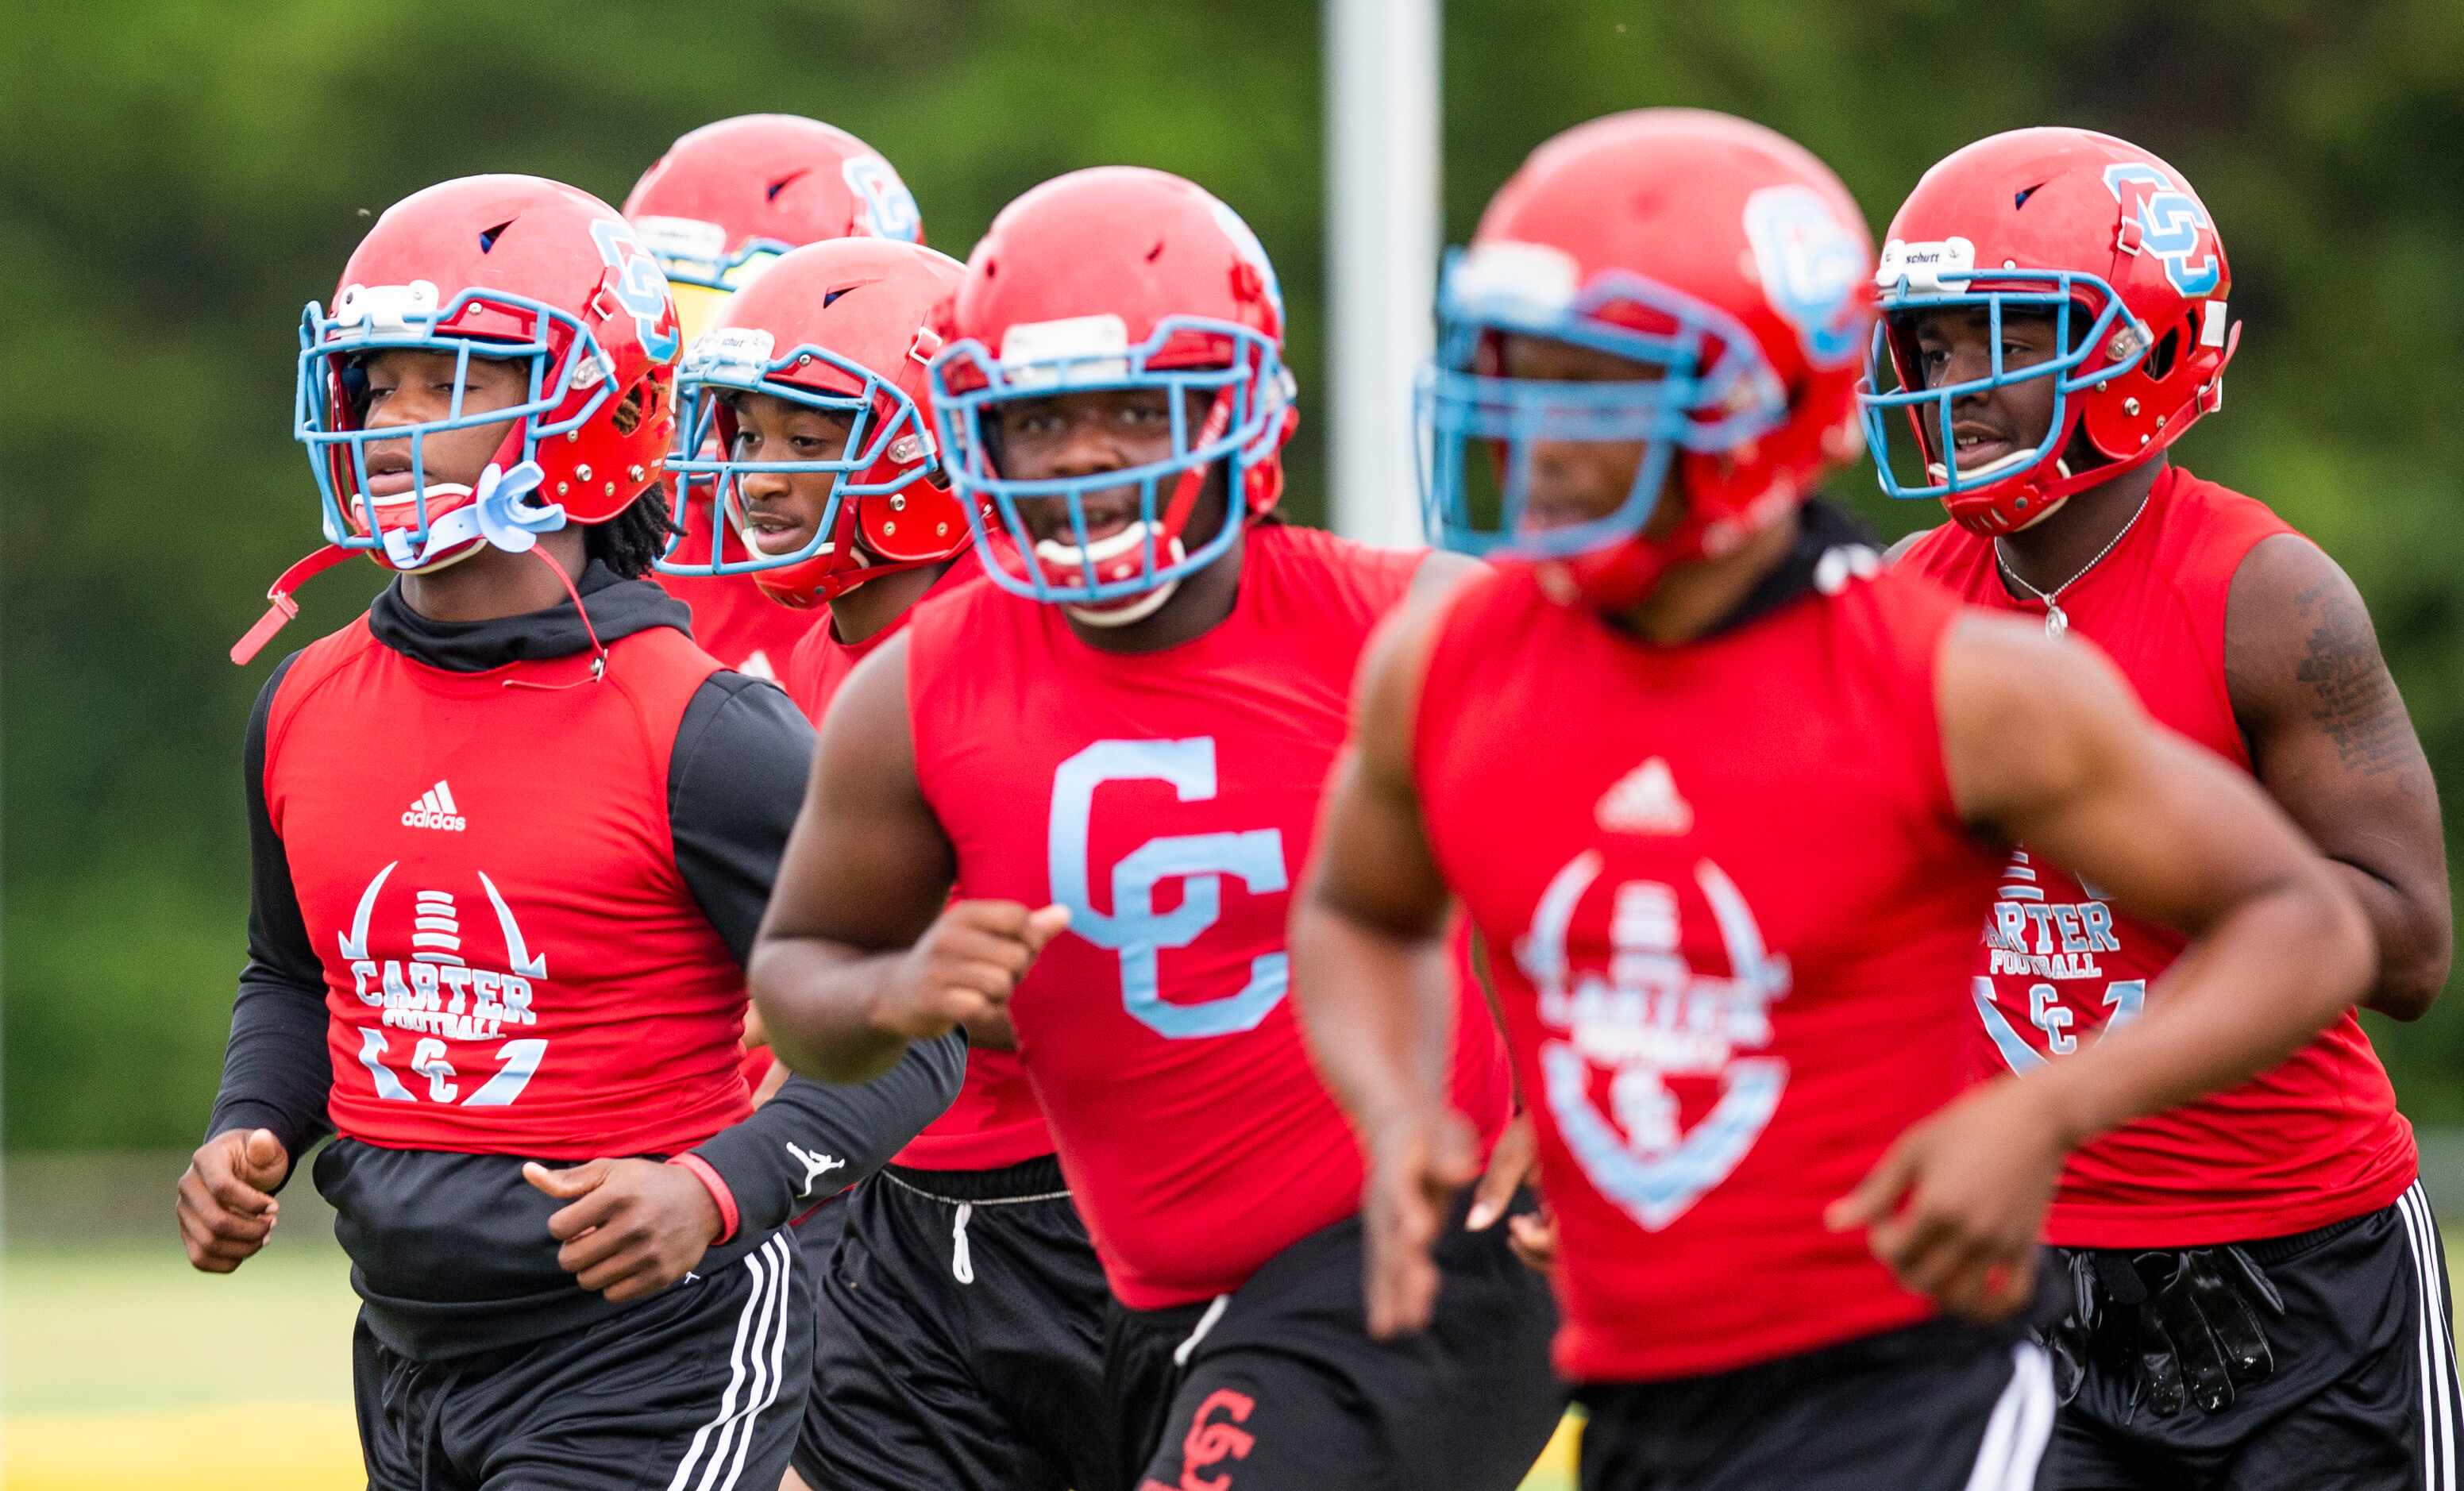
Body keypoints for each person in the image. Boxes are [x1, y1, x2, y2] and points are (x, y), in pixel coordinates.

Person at [1287, 108, 2381, 1491]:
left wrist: (2043, 1110)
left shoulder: (1949, 680)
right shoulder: (1444, 665)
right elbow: (1352, 908)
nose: (1538, 431)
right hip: (1635, 1393)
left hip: (1902, 1389)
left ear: (1753, 406)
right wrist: (1400, 1112)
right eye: (1521, 372)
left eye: (1595, 384)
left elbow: (2311, 923)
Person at [746, 165, 1560, 1491]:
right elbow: (800, 984)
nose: (1083, 453)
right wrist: (898, 987)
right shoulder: (916, 686)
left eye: (1137, 409)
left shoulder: (1410, 626)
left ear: (1238, 409)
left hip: (1405, 1244)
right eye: (1041, 416)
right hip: (1118, 1264)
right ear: (976, 435)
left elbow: (1652, 857)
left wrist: (1571, 1091)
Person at [183, 174, 963, 1490]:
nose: (389, 424)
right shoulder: (306, 699)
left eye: (449, 383)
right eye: (376, 384)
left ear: (588, 408)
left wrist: (714, 1190)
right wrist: (249, 1119)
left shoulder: (700, 729)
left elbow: (921, 1026)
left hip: (651, 1352)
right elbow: (296, 974)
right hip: (406, 1345)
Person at [1862, 125, 2458, 1488]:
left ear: (2138, 346)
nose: (1949, 386)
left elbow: (2411, 944)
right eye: (1930, 345)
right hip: (2027, 1267)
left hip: (2300, 1271)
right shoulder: (1907, 595)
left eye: (1996, 340)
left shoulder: (2262, 594)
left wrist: (2142, 837)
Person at [675, 233, 1111, 1491]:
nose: (757, 477)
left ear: (932, 446)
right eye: (747, 434)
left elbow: (1071, 965)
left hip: (1100, 1209)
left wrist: (847, 992)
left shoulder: (1035, 646)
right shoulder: (805, 664)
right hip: (898, 1224)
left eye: (808, 440)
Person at [625, 113, 927, 679]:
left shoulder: (944, 588)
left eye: (733, 324)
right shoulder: (614, 546)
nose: (685, 367)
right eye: (671, 315)